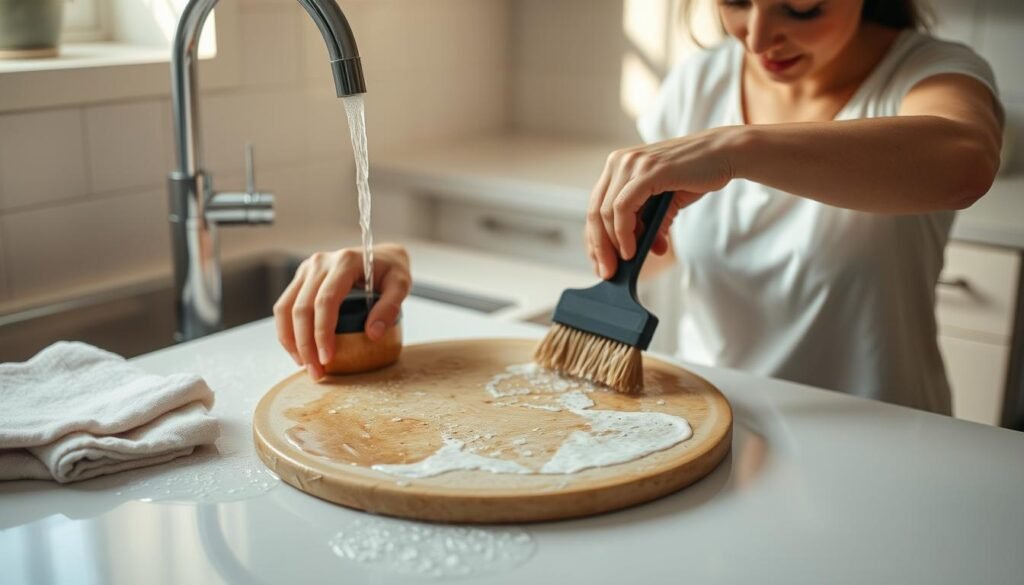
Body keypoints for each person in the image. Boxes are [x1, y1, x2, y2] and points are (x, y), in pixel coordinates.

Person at [276, 0, 1003, 415]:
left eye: (801, 4)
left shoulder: (928, 73)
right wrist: (399, 266)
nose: (756, 36)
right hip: (725, 426)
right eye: (736, 1)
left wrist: (737, 149)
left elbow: (965, 159)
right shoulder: (698, 84)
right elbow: (645, 258)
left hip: (889, 441)